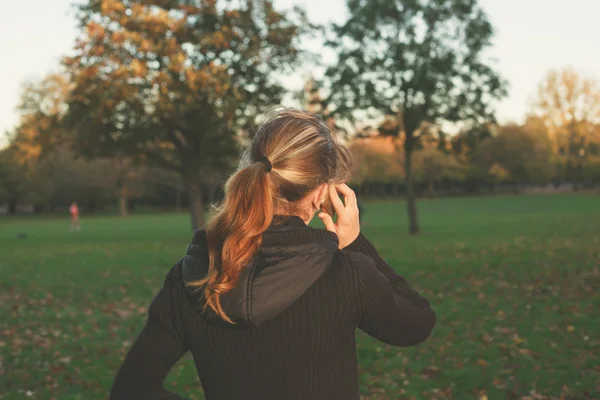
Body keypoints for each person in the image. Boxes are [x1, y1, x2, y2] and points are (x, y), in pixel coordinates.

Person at [109, 109, 436, 400]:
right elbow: (416, 324)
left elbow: (131, 390)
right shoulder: (348, 273)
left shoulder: (193, 274)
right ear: (322, 191)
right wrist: (354, 243)